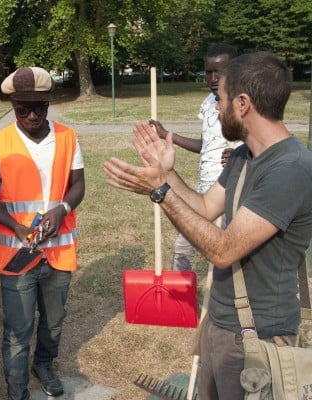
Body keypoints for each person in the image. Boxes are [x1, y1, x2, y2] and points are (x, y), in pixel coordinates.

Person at [103, 52, 312, 400]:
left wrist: (159, 192)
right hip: (221, 324)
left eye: (221, 99)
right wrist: (165, 173)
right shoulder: (246, 155)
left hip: (256, 338)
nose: (216, 108)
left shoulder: (290, 169)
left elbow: (223, 249)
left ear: (243, 103)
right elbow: (204, 206)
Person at [0, 67, 85, 400]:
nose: (32, 115)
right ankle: (17, 390)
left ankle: (45, 364)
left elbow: (78, 184)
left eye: (40, 107)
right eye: (23, 109)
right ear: (12, 105)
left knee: (53, 322)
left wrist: (61, 210)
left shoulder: (67, 137)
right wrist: (15, 225)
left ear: (49, 101)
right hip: (17, 253)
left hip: (59, 250)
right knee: (18, 329)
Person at [149, 44, 238, 271]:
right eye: (209, 72)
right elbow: (204, 145)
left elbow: (259, 145)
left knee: (225, 254)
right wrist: (166, 135)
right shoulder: (209, 104)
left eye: (221, 71)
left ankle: (223, 300)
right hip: (204, 191)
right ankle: (179, 301)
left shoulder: (242, 102)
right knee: (183, 246)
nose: (214, 78)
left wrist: (239, 155)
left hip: (231, 192)